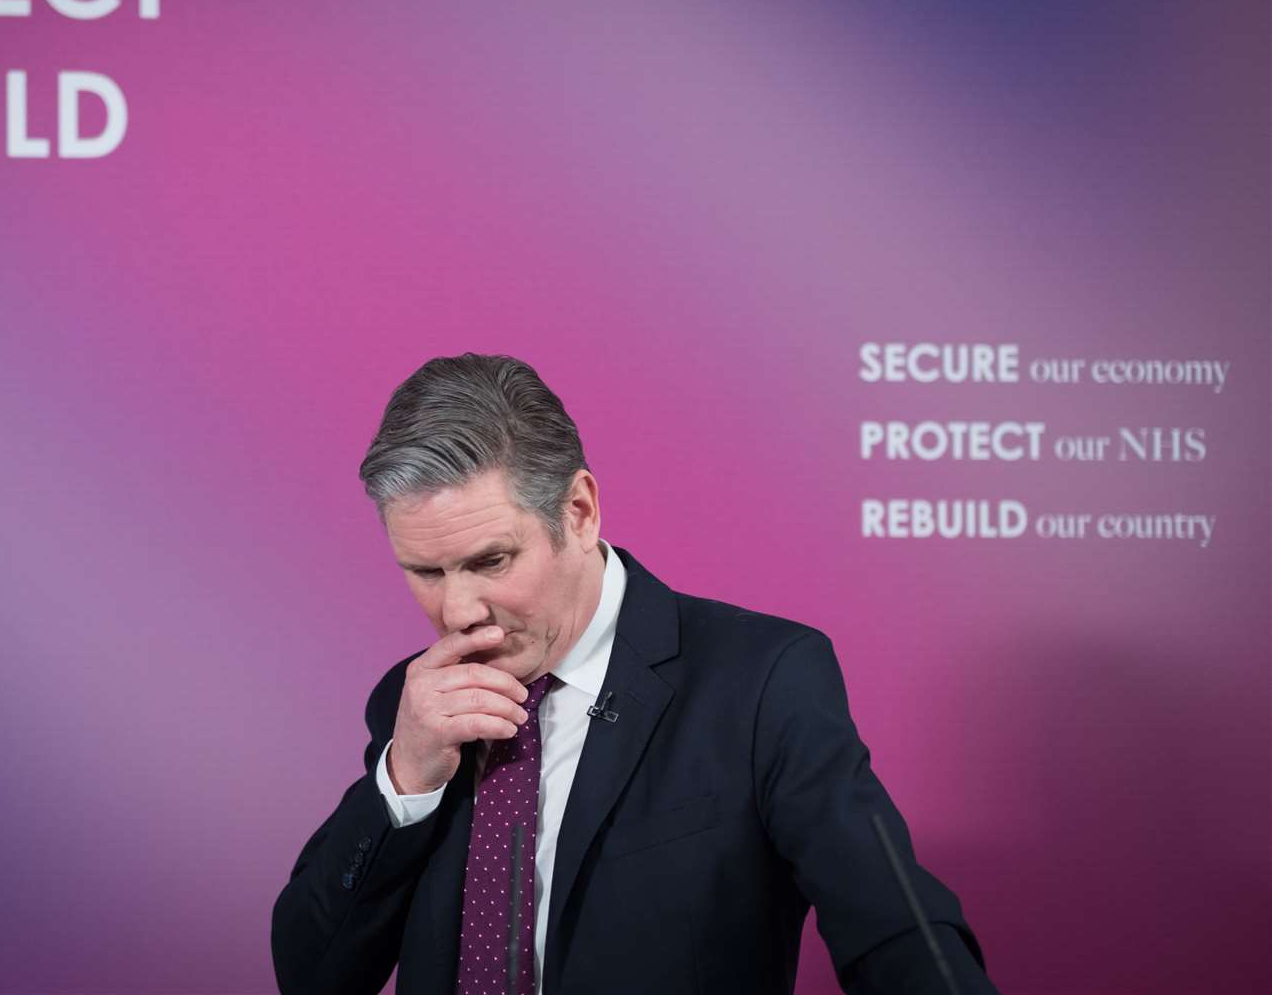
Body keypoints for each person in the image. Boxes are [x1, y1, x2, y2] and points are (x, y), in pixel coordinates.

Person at [272, 353, 999, 994]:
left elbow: (897, 929)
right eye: (424, 571)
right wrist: (405, 780)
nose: (458, 611)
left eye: (491, 561)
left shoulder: (763, 681)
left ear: (580, 511)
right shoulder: (413, 701)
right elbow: (312, 973)